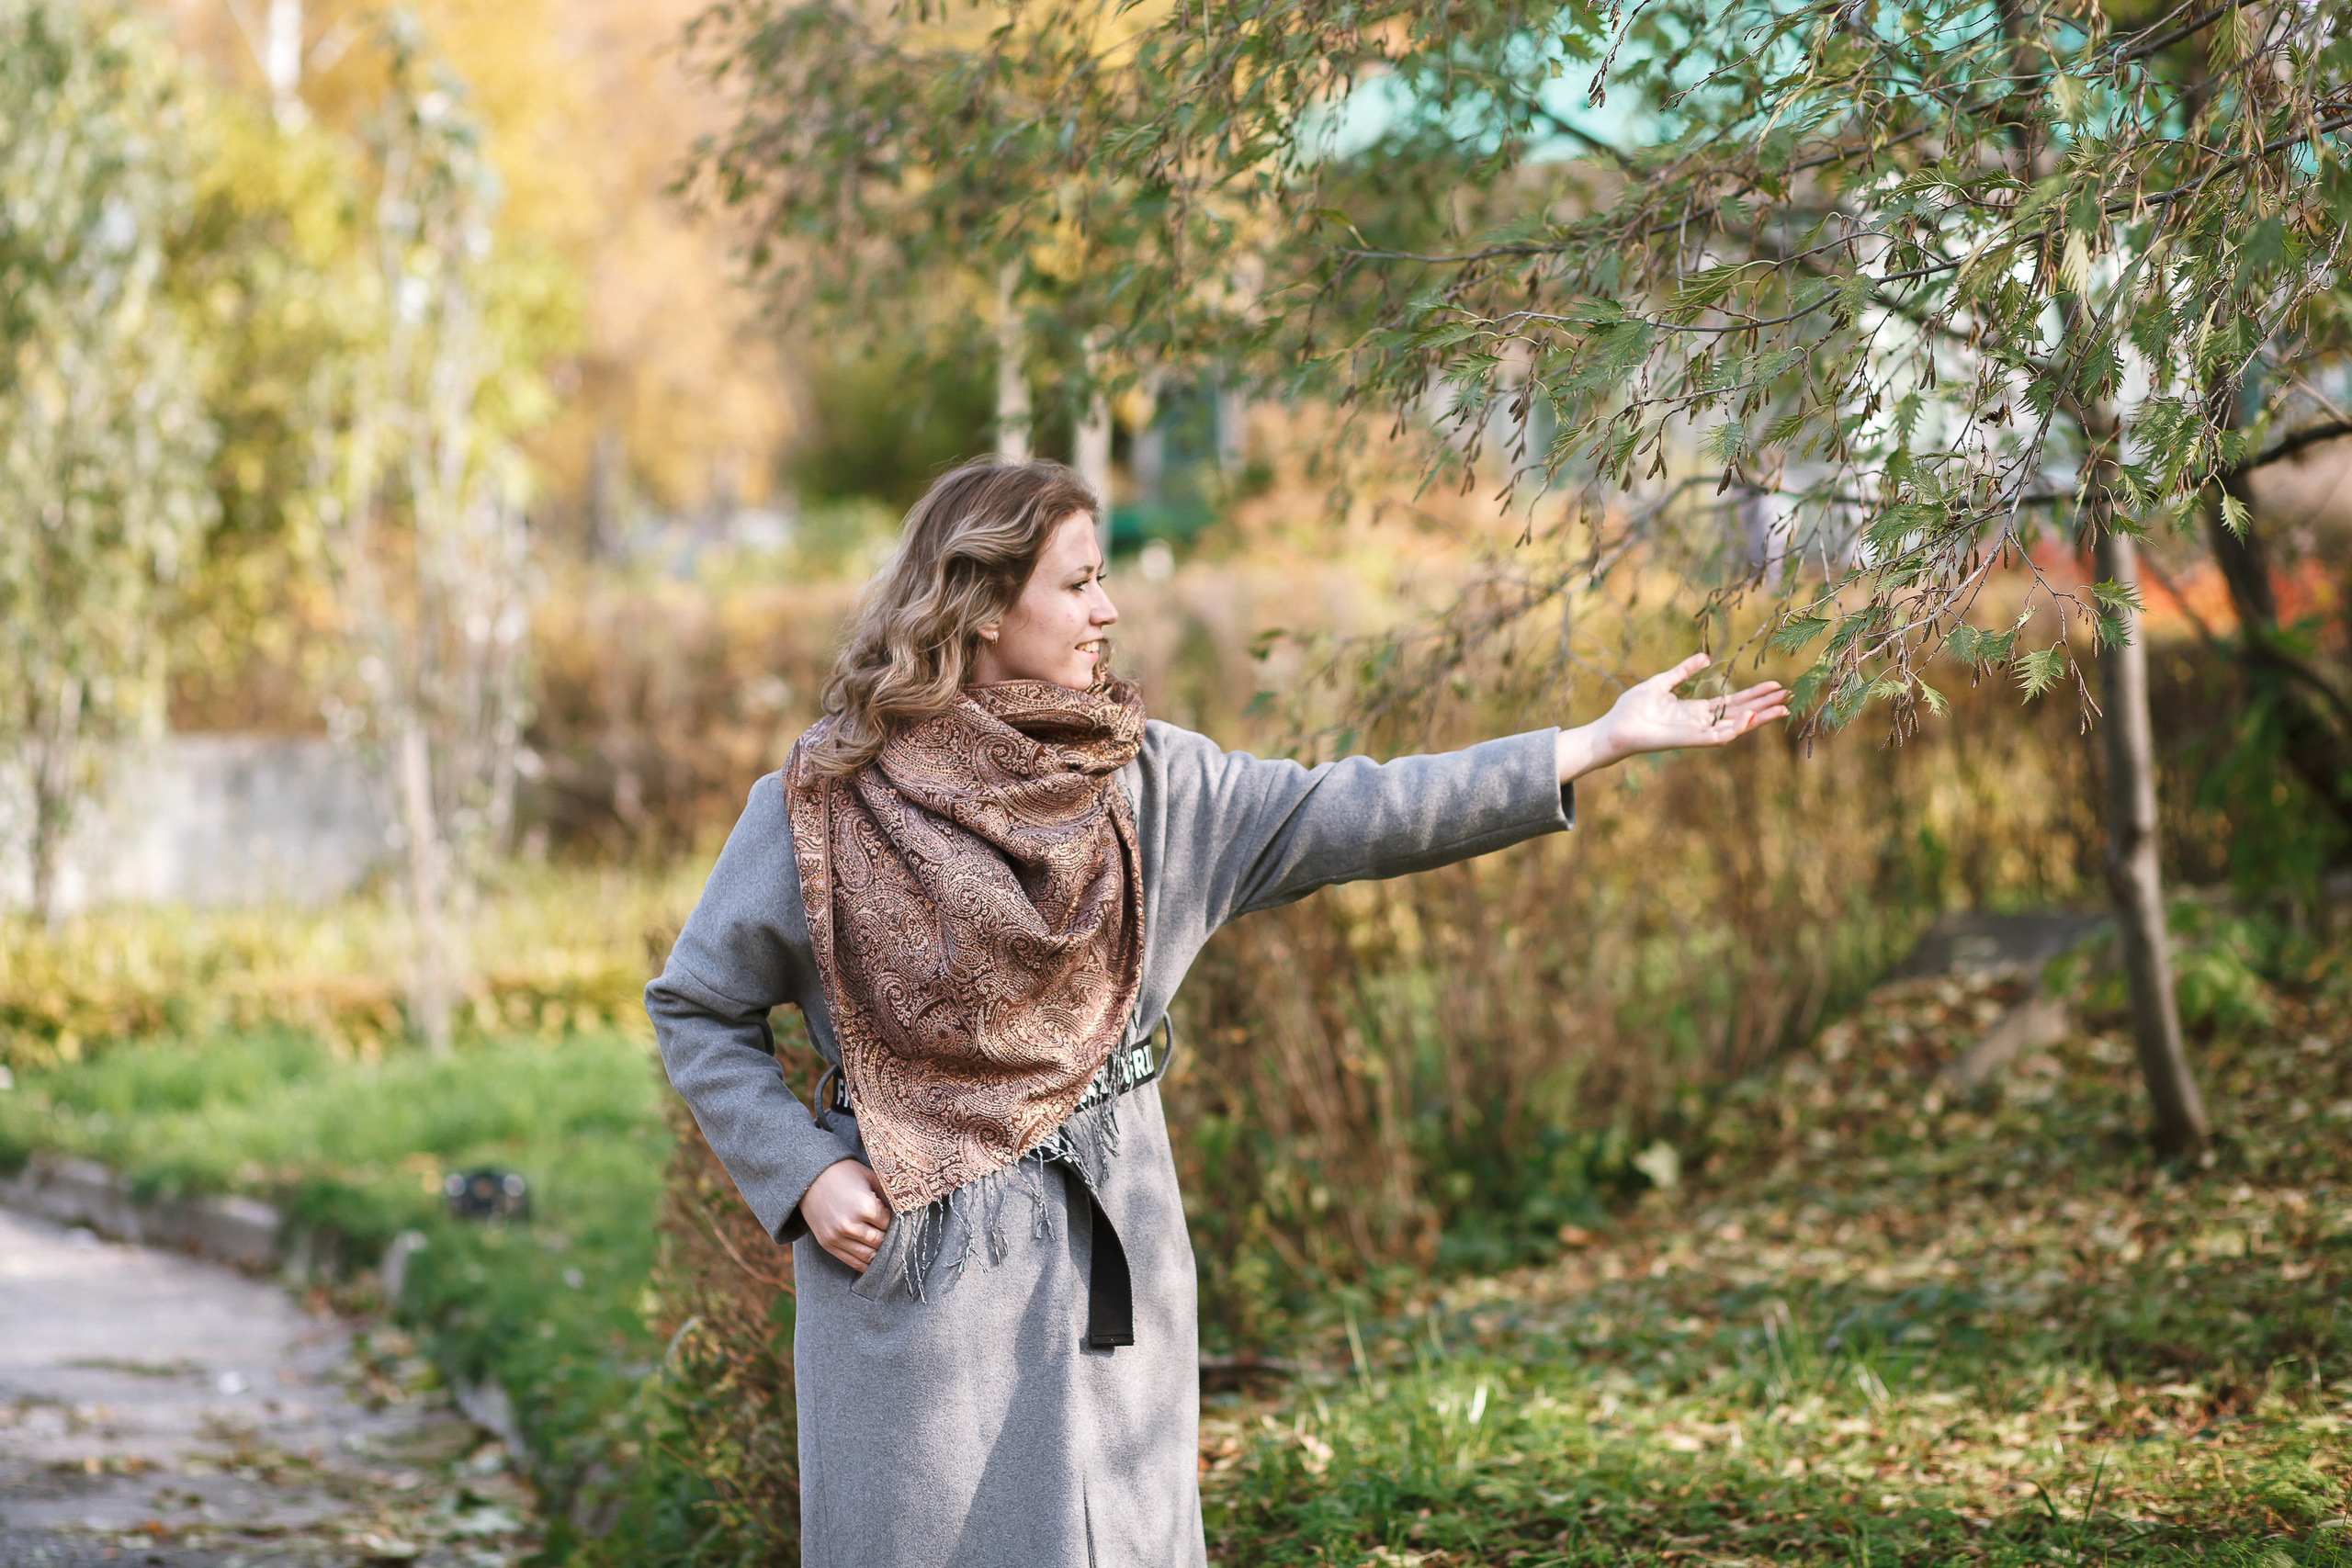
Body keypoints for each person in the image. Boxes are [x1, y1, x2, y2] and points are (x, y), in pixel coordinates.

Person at [646, 458, 1788, 1568]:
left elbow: (1355, 807)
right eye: (1079, 580)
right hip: (917, 1259)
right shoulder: (829, 800)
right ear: (987, 606)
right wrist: (800, 1170)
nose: (1109, 607)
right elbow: (698, 1007)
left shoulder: (1147, 786)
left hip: (1106, 1232)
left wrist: (1590, 743)